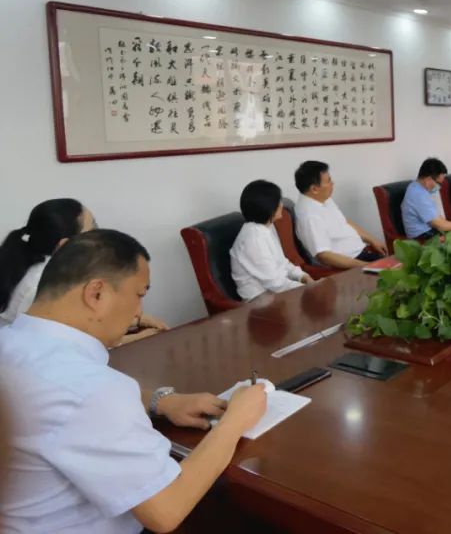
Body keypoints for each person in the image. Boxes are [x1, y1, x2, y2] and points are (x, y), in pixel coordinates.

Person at [0, 229, 268, 533]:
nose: (139, 312)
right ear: (96, 294)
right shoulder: (91, 389)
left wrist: (160, 401)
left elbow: (65, 405)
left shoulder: (11, 343)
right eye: (140, 295)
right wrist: (235, 421)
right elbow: (166, 509)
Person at [0, 199, 167, 343]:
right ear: (65, 244)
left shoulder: (36, 265)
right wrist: (142, 337)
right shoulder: (40, 286)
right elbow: (69, 342)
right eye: (93, 229)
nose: (99, 235)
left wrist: (135, 320)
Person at [230, 180, 315, 301]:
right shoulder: (253, 239)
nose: (281, 205)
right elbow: (275, 284)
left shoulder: (266, 227)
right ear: (267, 208)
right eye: (278, 201)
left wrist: (303, 277)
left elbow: (282, 263)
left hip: (275, 292)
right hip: (258, 301)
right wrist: (309, 288)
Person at [294, 161, 387, 268]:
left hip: (362, 253)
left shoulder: (322, 198)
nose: (332, 183)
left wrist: (373, 240)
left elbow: (344, 222)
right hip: (349, 265)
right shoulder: (309, 216)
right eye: (328, 181)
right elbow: (324, 256)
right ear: (314, 189)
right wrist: (368, 266)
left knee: (399, 264)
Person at [401, 158, 451, 240]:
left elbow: (438, 219)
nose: (439, 187)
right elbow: (441, 225)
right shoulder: (418, 194)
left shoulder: (415, 186)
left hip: (430, 230)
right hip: (421, 237)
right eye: (438, 183)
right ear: (428, 179)